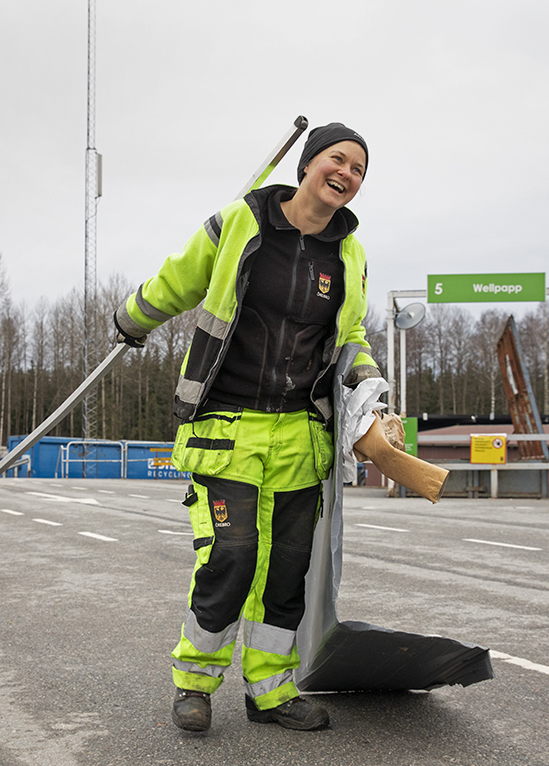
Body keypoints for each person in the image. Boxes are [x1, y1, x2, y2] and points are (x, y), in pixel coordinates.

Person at [113, 123, 381, 733]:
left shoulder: (350, 254)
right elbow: (179, 279)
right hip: (224, 425)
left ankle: (269, 689)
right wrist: (133, 317)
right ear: (308, 164)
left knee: (286, 571)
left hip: (300, 438)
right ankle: (195, 683)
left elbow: (352, 334)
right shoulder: (242, 221)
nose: (347, 174)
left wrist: (364, 374)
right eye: (337, 160)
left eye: (359, 170)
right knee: (231, 556)